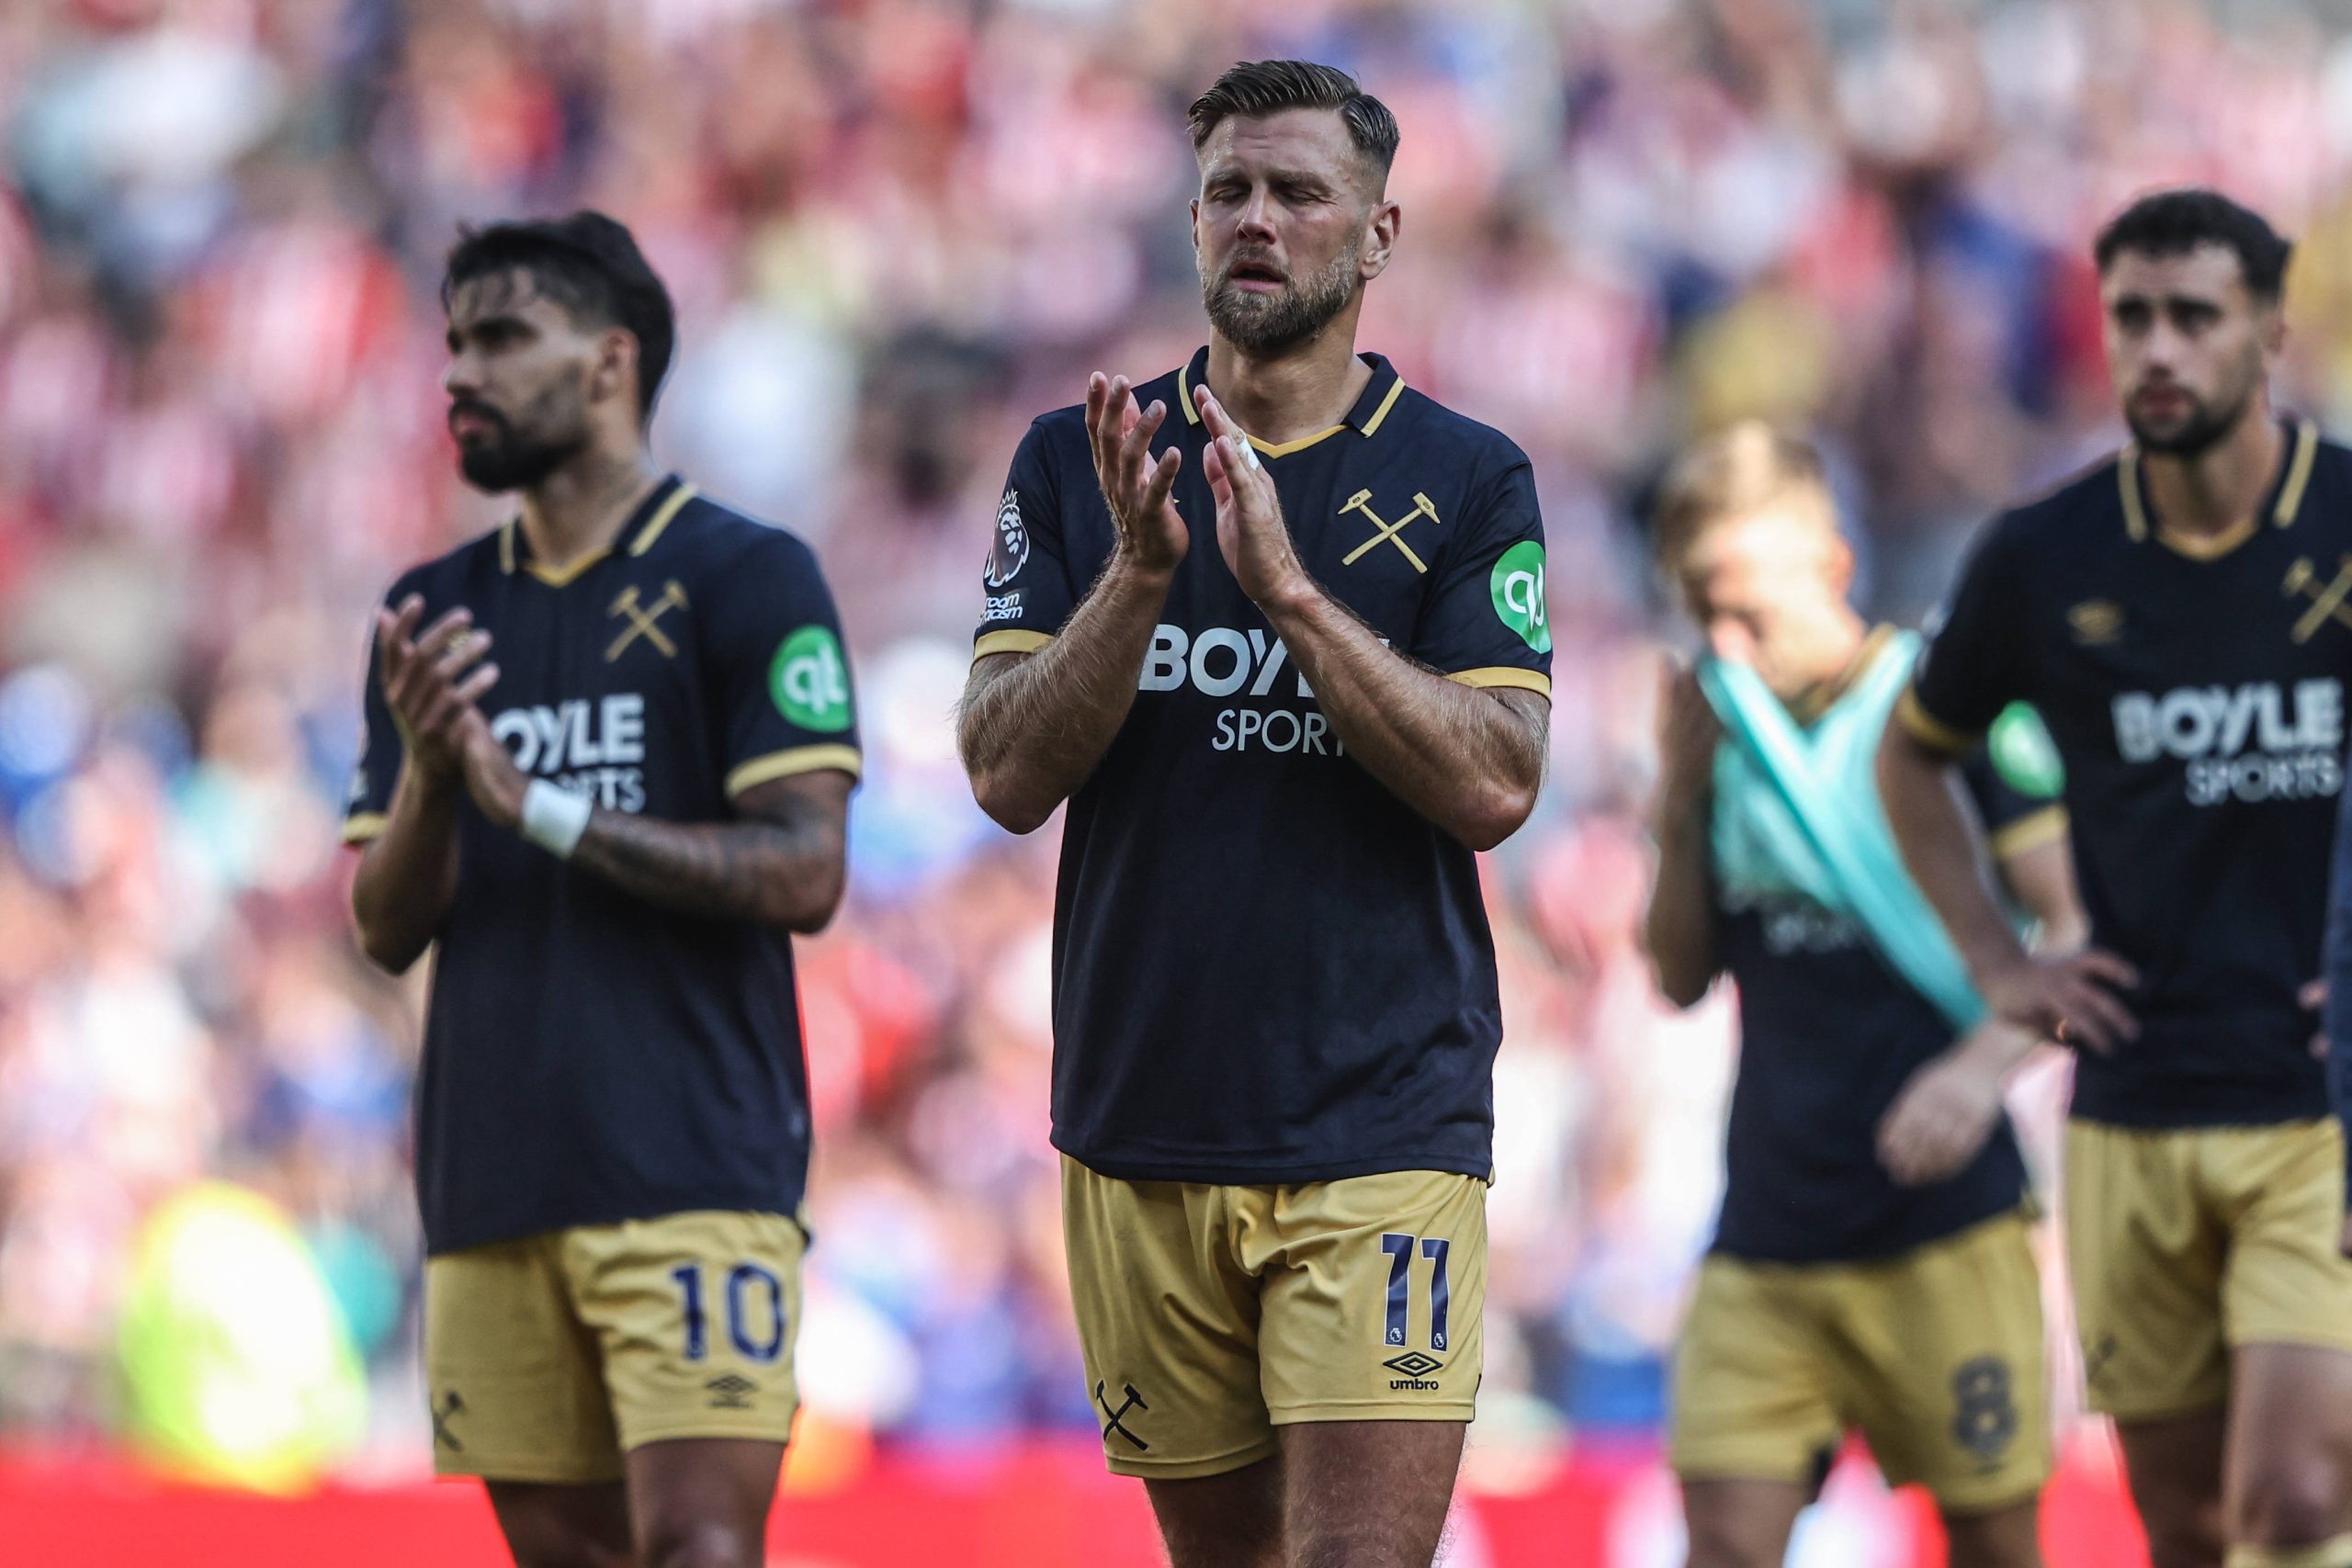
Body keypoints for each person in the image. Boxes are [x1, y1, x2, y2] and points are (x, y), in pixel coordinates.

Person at [956, 60, 1550, 1568]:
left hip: (1381, 1112)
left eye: (1297, 194)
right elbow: (1005, 773)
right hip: (1144, 1113)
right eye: (1228, 191)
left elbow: (1495, 777)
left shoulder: (1467, 475)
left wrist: (1289, 596)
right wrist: (1139, 578)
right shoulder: (1080, 460)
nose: (1257, 222)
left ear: (1379, 232)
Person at [345, 212, 858, 1568]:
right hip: (492, 1177)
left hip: (693, 1164)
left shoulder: (747, 574)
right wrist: (442, 785)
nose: (461, 372)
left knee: (700, 1548)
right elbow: (382, 926)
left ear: (611, 362)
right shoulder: (429, 615)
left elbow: (806, 867)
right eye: (454, 341)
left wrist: (549, 810)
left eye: (504, 337)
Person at [1881, 188, 2352, 1568]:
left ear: (2268, 332)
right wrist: (2001, 964)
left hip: (2315, 1106)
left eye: (2192, 317)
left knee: (2299, 1497)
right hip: (2130, 1100)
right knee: (2192, 1525)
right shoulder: (2046, 555)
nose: (2155, 348)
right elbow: (1915, 760)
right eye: (2132, 315)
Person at [1645, 423, 2079, 1568]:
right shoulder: (1720, 736)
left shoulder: (1949, 708)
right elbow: (1681, 978)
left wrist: (1977, 1071)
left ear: (1833, 566)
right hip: (1766, 1234)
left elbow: (2076, 927)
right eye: (1702, 611)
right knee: (1723, 1551)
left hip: (1945, 1226)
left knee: (1996, 1550)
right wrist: (1675, 804)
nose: (1726, 644)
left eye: (1748, 607)